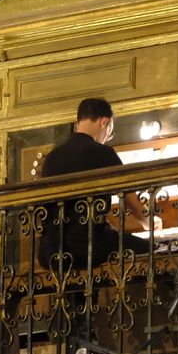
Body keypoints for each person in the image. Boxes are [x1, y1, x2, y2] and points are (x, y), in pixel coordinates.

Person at [37, 97, 156, 271]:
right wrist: (150, 222)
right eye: (110, 132)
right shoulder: (104, 153)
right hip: (88, 247)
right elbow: (132, 203)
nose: (108, 138)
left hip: (52, 249)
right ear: (104, 122)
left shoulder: (52, 157)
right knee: (154, 250)